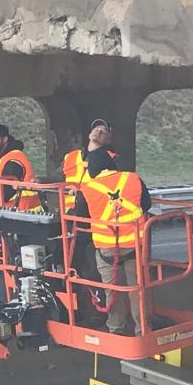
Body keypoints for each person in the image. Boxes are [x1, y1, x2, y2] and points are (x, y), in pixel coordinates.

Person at [73, 149, 152, 336]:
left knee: (113, 290)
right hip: (135, 245)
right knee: (137, 289)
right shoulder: (133, 179)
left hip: (107, 250)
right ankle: (142, 329)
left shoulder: (88, 188)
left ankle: (116, 328)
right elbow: (146, 204)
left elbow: (81, 217)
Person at [60, 118, 120, 213]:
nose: (99, 131)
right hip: (67, 213)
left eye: (103, 132)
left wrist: (82, 193)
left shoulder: (110, 159)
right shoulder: (71, 156)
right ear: (89, 135)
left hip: (91, 213)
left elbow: (110, 188)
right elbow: (60, 179)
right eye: (96, 129)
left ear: (108, 140)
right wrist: (41, 180)